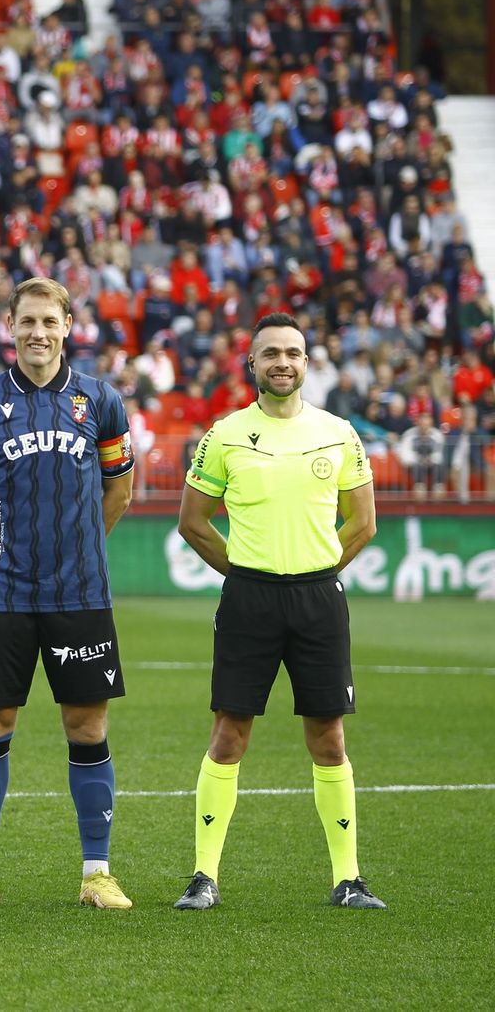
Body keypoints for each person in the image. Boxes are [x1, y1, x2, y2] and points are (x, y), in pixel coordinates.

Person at [174, 313, 385, 911]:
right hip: (249, 600)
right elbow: (193, 521)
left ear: (307, 363)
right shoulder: (225, 434)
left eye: (293, 352)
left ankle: (348, 878)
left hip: (319, 600)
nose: (282, 363)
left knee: (328, 736)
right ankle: (203, 876)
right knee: (229, 734)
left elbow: (363, 521)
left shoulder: (339, 432)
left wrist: (317, 570)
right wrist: (243, 571)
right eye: (270, 354)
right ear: (253, 365)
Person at [0, 276, 136, 910]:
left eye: (49, 322)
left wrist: (79, 543)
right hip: (1, 593)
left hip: (80, 592)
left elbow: (119, 491)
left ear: (67, 327)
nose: (37, 333)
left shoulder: (101, 401)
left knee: (86, 725)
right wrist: (2, 546)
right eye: (26, 321)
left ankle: (97, 874)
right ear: (9, 326)